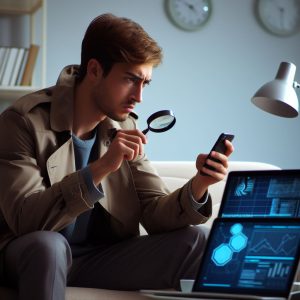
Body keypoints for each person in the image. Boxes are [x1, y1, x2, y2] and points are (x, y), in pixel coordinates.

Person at [0, 13, 234, 300]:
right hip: (31, 256)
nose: (139, 96)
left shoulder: (125, 125)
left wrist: (200, 184)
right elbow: (27, 221)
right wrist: (102, 167)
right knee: (48, 247)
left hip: (100, 259)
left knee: (195, 241)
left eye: (145, 83)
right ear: (95, 70)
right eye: (130, 80)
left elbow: (154, 213)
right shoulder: (22, 121)